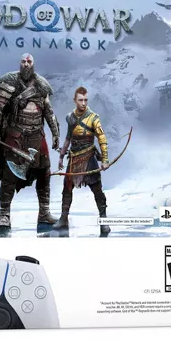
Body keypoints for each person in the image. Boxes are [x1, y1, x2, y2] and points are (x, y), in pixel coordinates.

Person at [0, 53, 60, 234]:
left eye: (29, 61)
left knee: (44, 172)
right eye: (23, 61)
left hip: (37, 136)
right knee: (9, 175)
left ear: (33, 64)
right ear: (20, 64)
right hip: (16, 135)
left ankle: (44, 213)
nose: (26, 64)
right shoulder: (9, 82)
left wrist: (55, 134)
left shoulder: (42, 85)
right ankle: (4, 214)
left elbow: (49, 112)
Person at [56, 86, 110, 236]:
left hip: (89, 157)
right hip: (74, 158)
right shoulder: (70, 117)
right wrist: (61, 156)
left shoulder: (93, 118)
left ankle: (104, 222)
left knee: (97, 190)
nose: (84, 103)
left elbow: (101, 138)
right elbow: (68, 138)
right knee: (67, 189)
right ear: (75, 100)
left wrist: (105, 159)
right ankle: (63, 219)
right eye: (80, 100)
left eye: (86, 100)